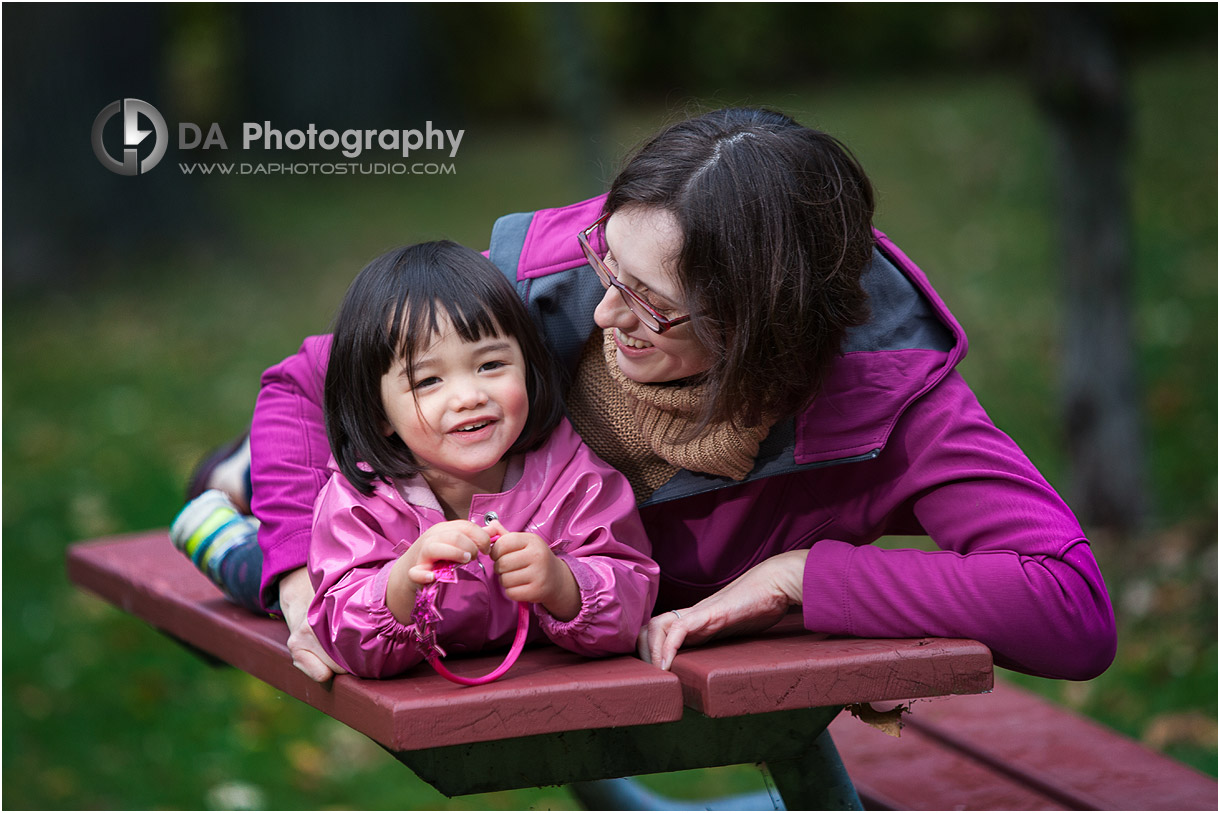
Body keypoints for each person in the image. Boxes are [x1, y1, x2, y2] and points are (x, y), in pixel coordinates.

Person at [175, 106, 1117, 685]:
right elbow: (307, 380)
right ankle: (239, 481)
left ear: (760, 331)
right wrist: (297, 582)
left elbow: (1069, 604)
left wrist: (804, 578)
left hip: (558, 607)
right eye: (608, 265)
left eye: (651, 305)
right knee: (280, 478)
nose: (602, 317)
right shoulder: (555, 283)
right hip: (415, 494)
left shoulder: (893, 401)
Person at [178, 241, 659, 679]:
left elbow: (631, 596)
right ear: (379, 413)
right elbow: (341, 635)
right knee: (259, 581)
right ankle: (219, 537)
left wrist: (565, 584)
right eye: (428, 381)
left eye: (491, 365)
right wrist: (400, 584)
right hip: (292, 564)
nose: (469, 396)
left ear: (529, 370)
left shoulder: (575, 478)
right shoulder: (361, 500)